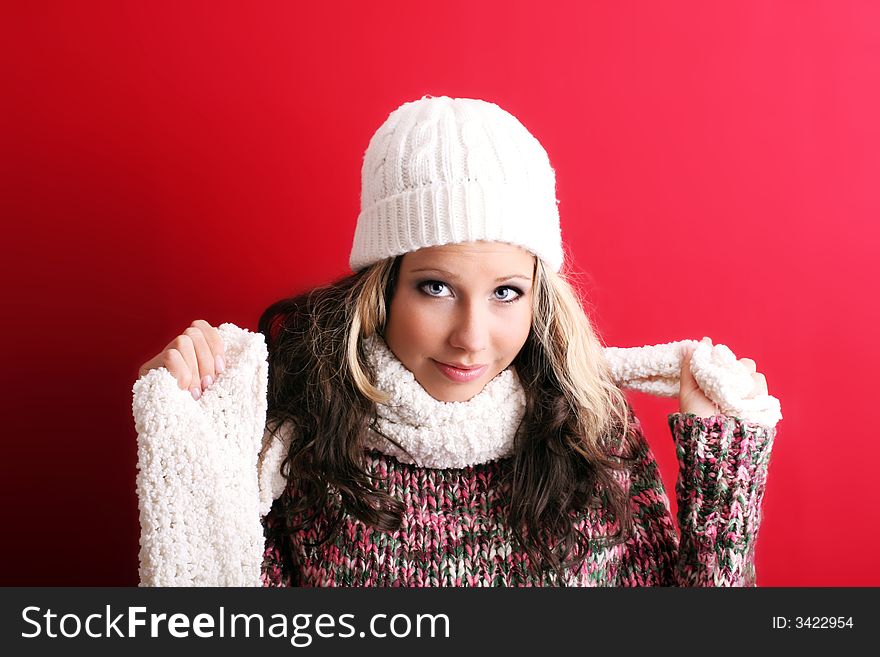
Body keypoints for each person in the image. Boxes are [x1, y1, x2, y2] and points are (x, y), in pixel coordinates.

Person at [135, 95, 779, 587]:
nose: (471, 338)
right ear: (382, 289)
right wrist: (186, 421)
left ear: (540, 298)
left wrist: (720, 463)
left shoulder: (592, 430)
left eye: (506, 293)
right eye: (436, 288)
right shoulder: (299, 441)